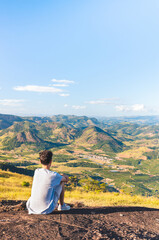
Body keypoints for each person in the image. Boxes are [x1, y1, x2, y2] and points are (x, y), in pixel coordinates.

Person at [26, 150, 70, 214]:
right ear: (51, 161)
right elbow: (65, 179)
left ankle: (55, 203)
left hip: (32, 207)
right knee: (61, 182)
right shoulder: (54, 175)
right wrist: (63, 175)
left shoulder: (37, 171)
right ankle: (62, 205)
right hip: (46, 209)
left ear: (40, 161)